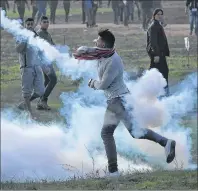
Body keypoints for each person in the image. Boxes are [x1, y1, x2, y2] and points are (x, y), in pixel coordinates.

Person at [74, 28, 176, 176]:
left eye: (98, 40)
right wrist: (83, 50)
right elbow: (90, 49)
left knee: (109, 133)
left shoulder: (113, 61)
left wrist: (92, 83)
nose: (95, 42)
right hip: (117, 100)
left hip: (118, 100)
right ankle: (165, 142)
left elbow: (103, 85)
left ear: (103, 44)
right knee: (134, 131)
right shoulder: (103, 52)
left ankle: (114, 171)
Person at [16, 18, 44, 119]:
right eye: (28, 24)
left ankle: (24, 103)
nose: (30, 26)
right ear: (25, 25)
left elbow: (40, 51)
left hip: (37, 67)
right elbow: (18, 49)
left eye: (31, 24)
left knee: (41, 91)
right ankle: (30, 114)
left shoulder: (36, 35)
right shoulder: (21, 36)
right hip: (26, 67)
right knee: (26, 92)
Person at [147, 9, 170, 96]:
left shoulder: (157, 25)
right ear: (154, 15)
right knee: (162, 72)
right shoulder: (153, 26)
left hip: (160, 53)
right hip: (157, 54)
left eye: (161, 14)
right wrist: (156, 54)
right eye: (158, 14)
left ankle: (157, 92)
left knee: (155, 72)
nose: (160, 16)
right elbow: (153, 42)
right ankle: (164, 92)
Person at [36, 16, 57, 110]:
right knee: (53, 79)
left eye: (47, 22)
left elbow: (52, 45)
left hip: (47, 60)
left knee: (47, 81)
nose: (46, 23)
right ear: (40, 23)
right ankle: (43, 100)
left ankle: (40, 102)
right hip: (43, 61)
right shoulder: (39, 33)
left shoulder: (47, 34)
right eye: (44, 22)